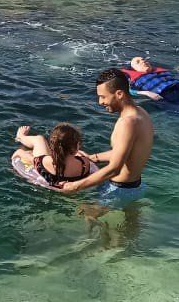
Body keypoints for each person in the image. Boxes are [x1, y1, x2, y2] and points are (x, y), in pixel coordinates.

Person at [53, 69, 155, 218]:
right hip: (135, 186)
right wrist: (93, 157)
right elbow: (127, 152)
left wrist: (75, 186)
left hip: (118, 191)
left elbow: (115, 168)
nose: (100, 102)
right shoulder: (141, 113)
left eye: (102, 97)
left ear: (119, 94)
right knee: (127, 234)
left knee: (88, 222)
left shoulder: (127, 123)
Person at [13, 122, 94, 187]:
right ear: (77, 147)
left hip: (49, 169)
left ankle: (20, 137)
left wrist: (19, 153)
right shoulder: (85, 163)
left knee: (39, 139)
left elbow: (21, 154)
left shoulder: (46, 161)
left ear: (53, 146)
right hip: (70, 164)